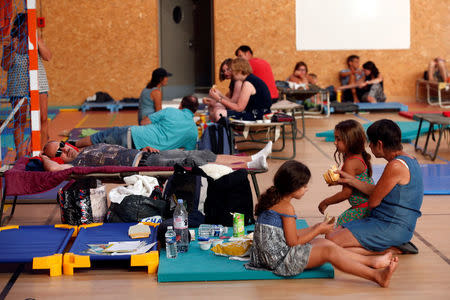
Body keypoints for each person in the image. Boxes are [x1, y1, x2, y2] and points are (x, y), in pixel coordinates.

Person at [245, 160, 398, 287]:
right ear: (293, 187)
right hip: (277, 261)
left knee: (322, 242)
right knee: (328, 251)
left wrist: (317, 228)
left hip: (267, 257)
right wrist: (318, 230)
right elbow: (293, 241)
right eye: (304, 185)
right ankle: (376, 276)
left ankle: (371, 261)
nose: (306, 189)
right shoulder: (287, 208)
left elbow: (287, 235)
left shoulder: (275, 199)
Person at [326, 119, 424, 255]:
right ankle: (388, 245)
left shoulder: (394, 166)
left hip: (390, 227)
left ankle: (390, 249)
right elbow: (379, 190)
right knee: (332, 234)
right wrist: (352, 180)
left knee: (331, 241)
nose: (369, 146)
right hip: (394, 225)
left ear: (379, 144)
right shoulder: (410, 160)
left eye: (371, 143)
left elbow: (373, 201)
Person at [39, 140, 273, 172]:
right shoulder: (76, 164)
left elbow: (120, 149)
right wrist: (41, 157)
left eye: (61, 144)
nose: (65, 149)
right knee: (196, 162)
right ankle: (251, 166)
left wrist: (144, 148)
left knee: (199, 152)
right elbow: (51, 169)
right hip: (144, 165)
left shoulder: (90, 147)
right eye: (58, 152)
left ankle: (251, 158)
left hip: (146, 155)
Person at [1, 12, 52, 158]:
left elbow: (48, 56)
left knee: (42, 118)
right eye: (25, 25)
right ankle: (19, 154)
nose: (28, 28)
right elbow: (5, 65)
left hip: (38, 82)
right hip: (18, 84)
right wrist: (12, 48)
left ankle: (41, 152)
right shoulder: (11, 41)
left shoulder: (35, 38)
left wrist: (36, 40)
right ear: (18, 26)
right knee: (20, 120)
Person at [74, 95, 199, 151]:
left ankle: (71, 145)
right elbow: (186, 153)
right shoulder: (193, 132)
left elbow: (144, 122)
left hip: (133, 134)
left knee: (98, 138)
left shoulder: (170, 111)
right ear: (195, 110)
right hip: (141, 151)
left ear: (181, 104)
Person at [318, 120, 374, 226]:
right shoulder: (359, 156)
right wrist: (338, 181)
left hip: (363, 209)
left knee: (339, 225)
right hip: (365, 206)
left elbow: (346, 193)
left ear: (350, 141)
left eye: (338, 139)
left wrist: (326, 202)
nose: (335, 142)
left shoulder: (350, 163)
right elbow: (354, 182)